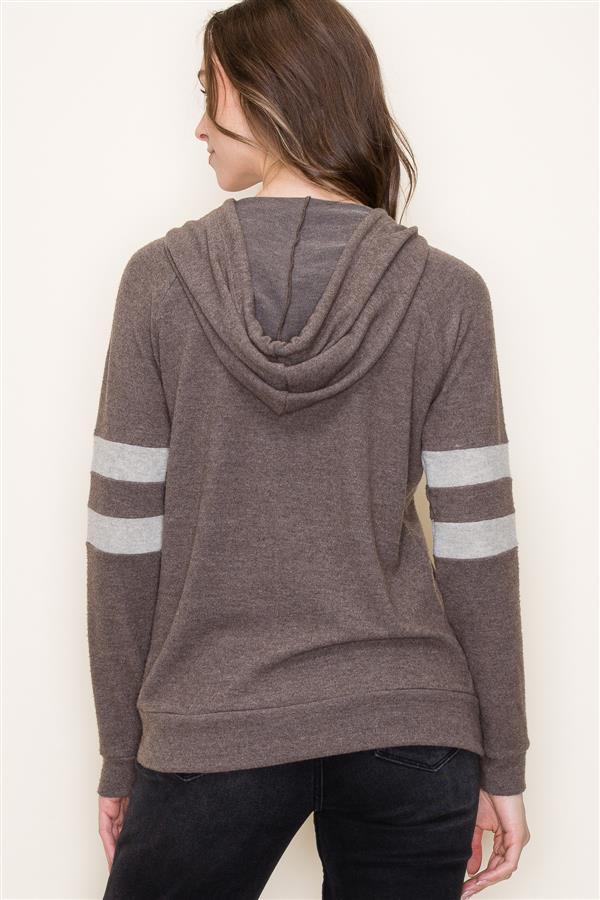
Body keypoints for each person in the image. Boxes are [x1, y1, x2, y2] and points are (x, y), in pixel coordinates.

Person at [85, 1, 531, 897]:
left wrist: (122, 755)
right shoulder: (446, 294)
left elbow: (124, 541)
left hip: (212, 718)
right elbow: (477, 544)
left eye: (208, 92)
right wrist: (503, 762)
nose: (199, 125)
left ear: (269, 94)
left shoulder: (159, 285)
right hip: (413, 723)